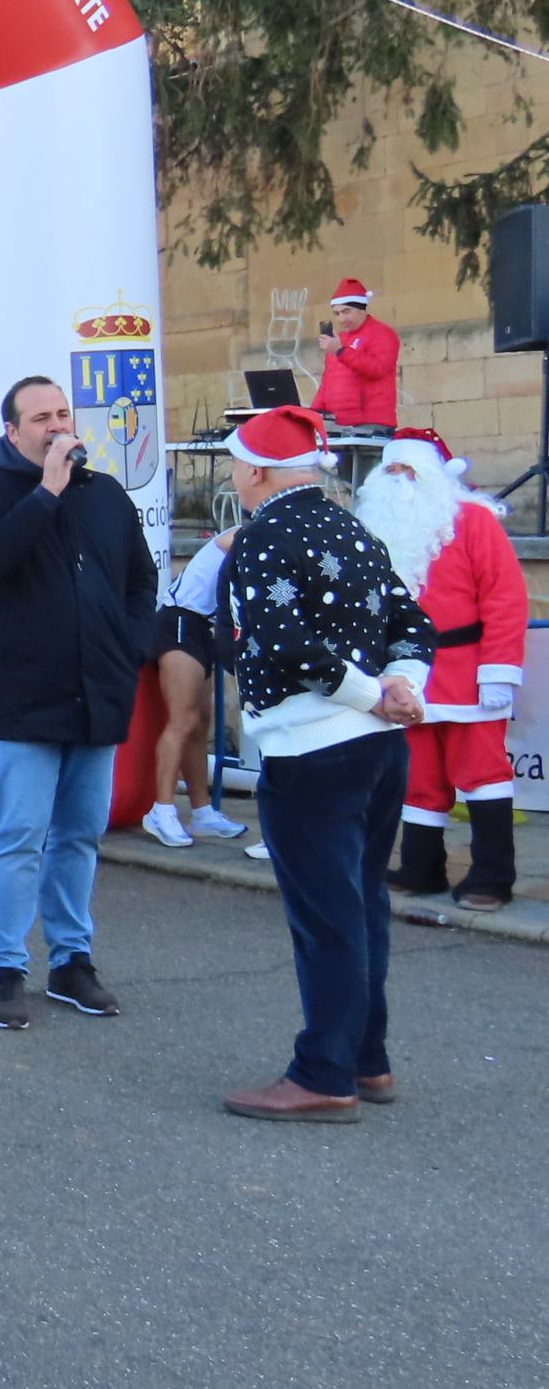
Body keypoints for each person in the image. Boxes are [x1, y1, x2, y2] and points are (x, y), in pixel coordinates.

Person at [219, 405, 433, 1121]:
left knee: (328, 916)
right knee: (362, 902)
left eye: (236, 467)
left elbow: (283, 641)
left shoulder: (263, 537)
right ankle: (365, 1058)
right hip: (377, 749)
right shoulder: (355, 531)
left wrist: (375, 694)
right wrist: (403, 687)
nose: (235, 479)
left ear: (255, 470)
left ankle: (324, 1072)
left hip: (312, 747)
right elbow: (413, 620)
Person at [0, 378, 157, 1032]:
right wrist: (46, 492)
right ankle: (5, 968)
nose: (56, 425)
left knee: (80, 835)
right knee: (18, 836)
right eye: (40, 417)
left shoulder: (106, 497)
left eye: (63, 413)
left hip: (97, 690)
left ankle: (72, 961)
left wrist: (127, 647)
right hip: (23, 694)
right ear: (12, 432)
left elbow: (139, 578)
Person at [357, 429, 528, 911]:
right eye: (391, 469)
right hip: (406, 672)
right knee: (419, 774)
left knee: (482, 772)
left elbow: (505, 596)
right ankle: (420, 865)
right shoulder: (373, 528)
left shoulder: (473, 521)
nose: (399, 478)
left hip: (470, 668)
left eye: (409, 469)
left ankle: (493, 875)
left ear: (433, 474)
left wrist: (499, 668)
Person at [141, 531, 247, 850]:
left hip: (204, 627)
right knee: (182, 720)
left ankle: (202, 812)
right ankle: (161, 810)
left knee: (200, 723)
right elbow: (240, 544)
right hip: (179, 621)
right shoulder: (244, 534)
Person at [309, 278, 400, 429]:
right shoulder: (339, 340)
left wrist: (340, 351)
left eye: (346, 312)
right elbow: (327, 385)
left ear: (362, 309)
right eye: (337, 313)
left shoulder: (382, 334)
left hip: (370, 423)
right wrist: (313, 415)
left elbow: (377, 369)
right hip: (337, 424)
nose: (341, 319)